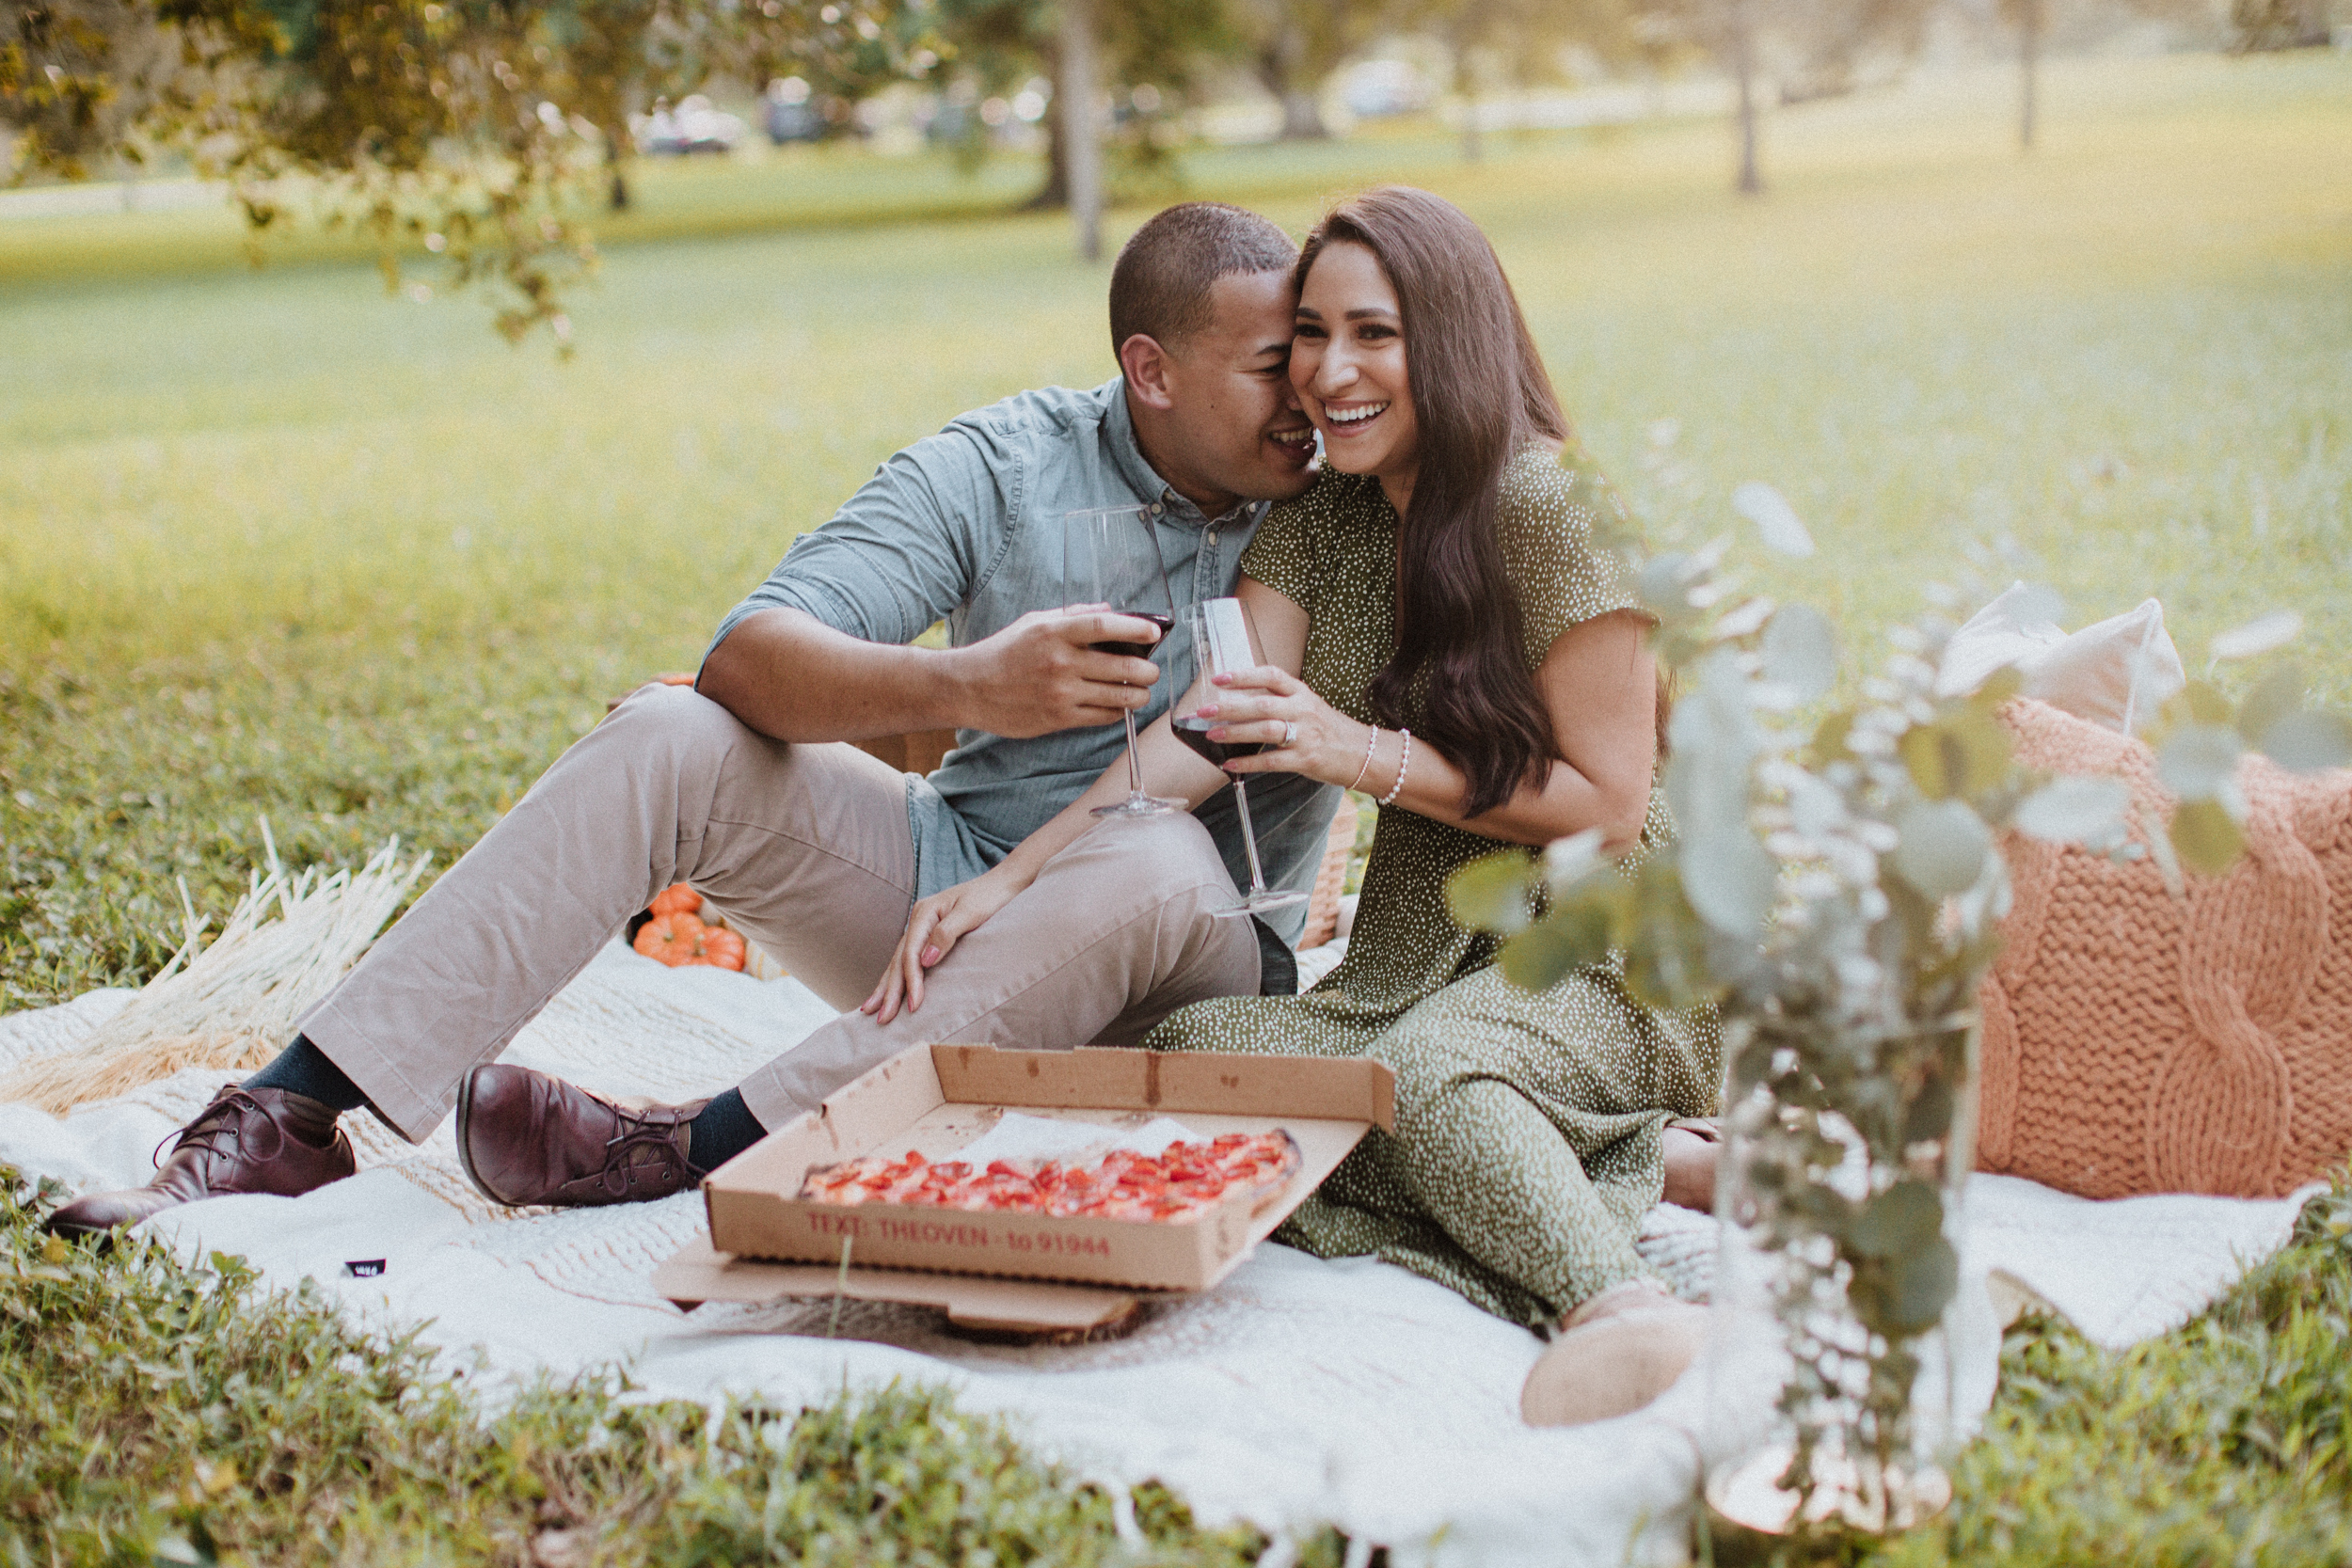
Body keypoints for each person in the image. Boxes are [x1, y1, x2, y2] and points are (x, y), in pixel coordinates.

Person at [47, 201, 1341, 1239]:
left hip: (1195, 963)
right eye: (1275, 367)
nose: (1313, 396)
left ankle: (687, 1140)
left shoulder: (1346, 505)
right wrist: (966, 686)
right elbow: (751, 658)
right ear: (1151, 372)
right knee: (673, 734)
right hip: (938, 915)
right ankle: (289, 1117)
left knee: (1155, 858)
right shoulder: (1002, 467)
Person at [890, 186, 1720, 1429]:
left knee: (1427, 1080)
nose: (1330, 374)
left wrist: (1364, 754)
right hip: (1418, 953)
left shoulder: (1552, 513)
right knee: (1194, 1058)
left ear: (1453, 334)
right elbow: (1201, 728)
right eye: (1311, 337)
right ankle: (1629, 1149)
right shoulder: (1325, 521)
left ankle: (1615, 1302)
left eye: (1372, 334)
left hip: (1606, 938)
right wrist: (1009, 880)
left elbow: (1610, 798)